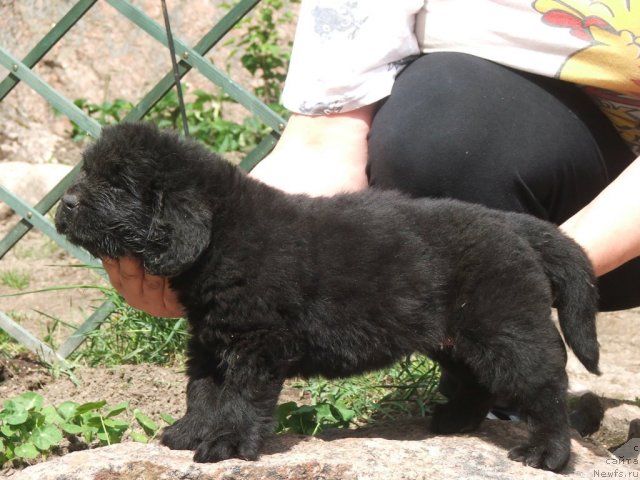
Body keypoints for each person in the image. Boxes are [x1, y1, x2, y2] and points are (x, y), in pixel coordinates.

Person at [103, 0, 640, 317]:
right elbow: (324, 144)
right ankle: (489, 397)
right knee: (445, 123)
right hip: (557, 160)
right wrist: (228, 263)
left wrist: (528, 273)